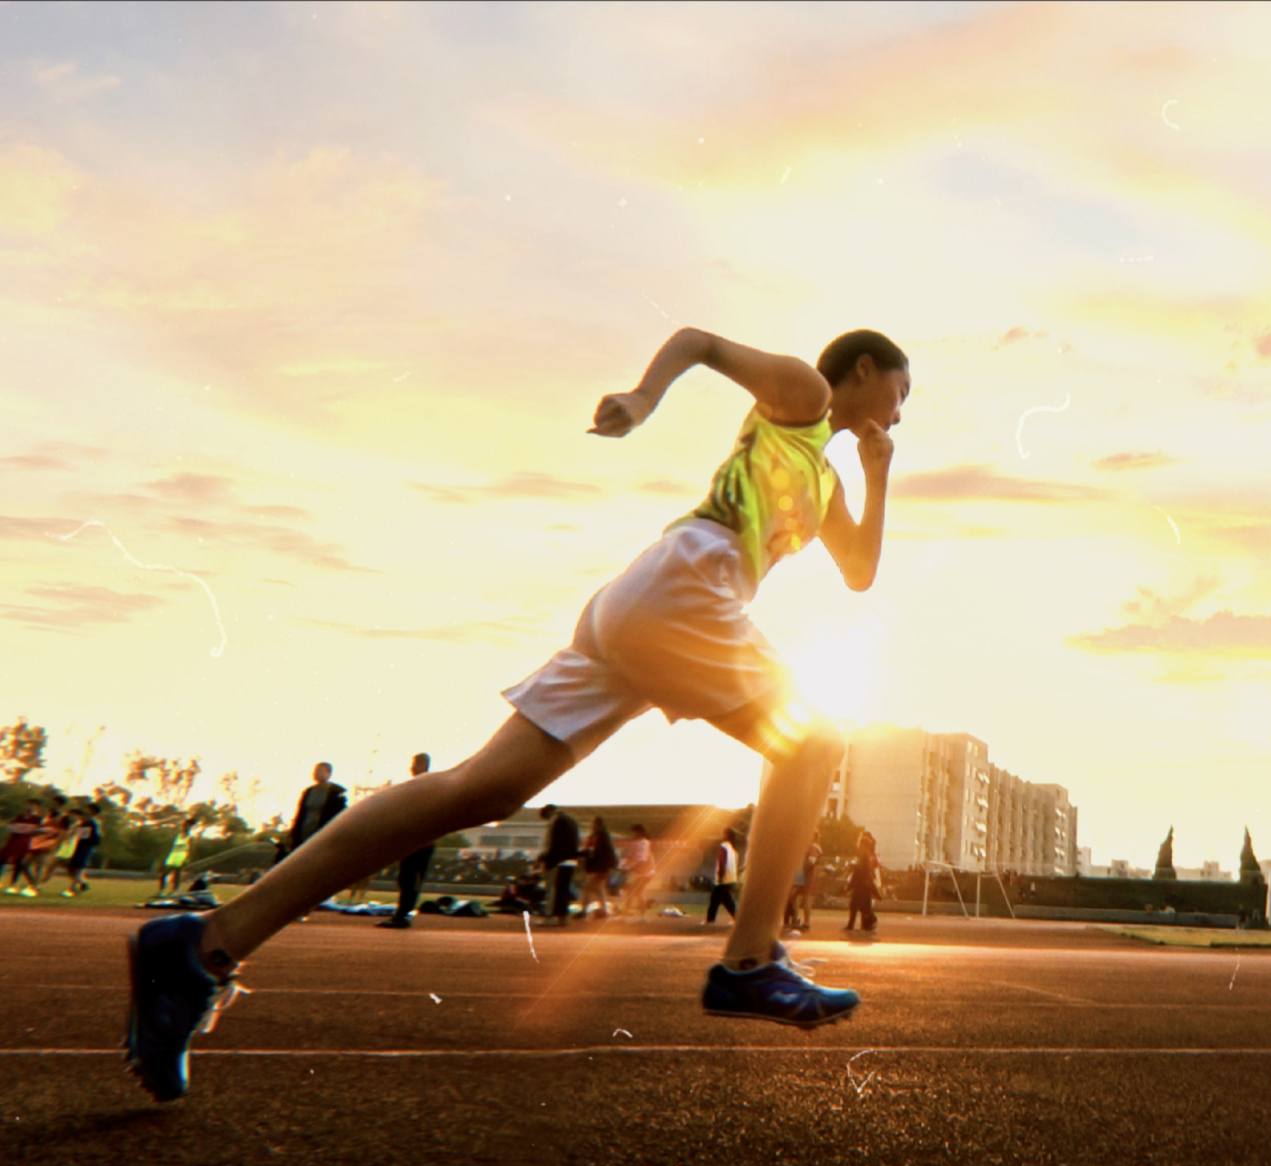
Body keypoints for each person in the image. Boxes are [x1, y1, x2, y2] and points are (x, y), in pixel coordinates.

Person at [126, 324, 905, 1101]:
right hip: (686, 587)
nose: (899, 415)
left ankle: (204, 944)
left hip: (649, 610)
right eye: (899, 395)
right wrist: (641, 398)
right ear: (863, 370)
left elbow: (861, 571)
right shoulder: (801, 397)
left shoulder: (829, 482)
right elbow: (699, 341)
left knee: (478, 789)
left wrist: (876, 473)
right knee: (814, 739)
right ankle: (751, 961)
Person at [378, 754, 437, 930]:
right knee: (407, 879)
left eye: (414, 764)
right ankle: (403, 913)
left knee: (409, 878)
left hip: (420, 841)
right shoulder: (425, 785)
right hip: (416, 839)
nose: (411, 768)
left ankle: (403, 915)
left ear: (422, 765)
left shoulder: (426, 786)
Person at [280, 763, 347, 875]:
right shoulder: (308, 792)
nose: (316, 774)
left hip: (323, 833)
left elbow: (340, 816)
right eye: (315, 771)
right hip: (304, 832)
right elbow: (300, 813)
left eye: (320, 771)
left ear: (328, 774)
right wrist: (293, 832)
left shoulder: (336, 793)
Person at [537, 804, 583, 927]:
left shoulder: (555, 821)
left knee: (553, 889)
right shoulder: (572, 821)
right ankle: (562, 917)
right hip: (571, 859)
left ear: (548, 812)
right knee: (563, 889)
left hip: (557, 860)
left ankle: (550, 916)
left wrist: (544, 858)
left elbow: (551, 843)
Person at [580, 815, 618, 919]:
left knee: (588, 888)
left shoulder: (601, 836)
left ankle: (585, 910)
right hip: (597, 867)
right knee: (598, 889)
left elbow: (599, 852)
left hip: (598, 867)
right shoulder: (600, 836)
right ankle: (602, 909)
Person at [617, 824, 655, 917]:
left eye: (634, 832)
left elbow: (640, 860)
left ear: (640, 832)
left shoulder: (643, 843)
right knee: (637, 893)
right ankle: (640, 915)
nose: (633, 835)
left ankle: (630, 913)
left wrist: (628, 867)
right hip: (643, 872)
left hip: (642, 873)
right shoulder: (641, 843)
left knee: (632, 891)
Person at [846, 831, 880, 933]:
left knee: (856, 904)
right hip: (865, 883)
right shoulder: (866, 854)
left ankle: (870, 919)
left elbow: (860, 868)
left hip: (862, 884)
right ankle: (863, 923)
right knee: (861, 905)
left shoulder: (864, 854)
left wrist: (852, 866)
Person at [706, 835, 739, 925]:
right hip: (731, 877)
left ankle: (710, 920)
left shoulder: (724, 846)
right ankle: (737, 918)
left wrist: (720, 874)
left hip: (723, 878)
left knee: (716, 899)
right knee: (725, 899)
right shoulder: (733, 849)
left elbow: (722, 859)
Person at [157, 822, 195, 897]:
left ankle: (173, 891)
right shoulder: (178, 836)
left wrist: (186, 859)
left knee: (176, 876)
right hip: (172, 858)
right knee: (164, 875)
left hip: (180, 858)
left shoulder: (189, 837)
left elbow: (189, 849)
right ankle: (162, 891)